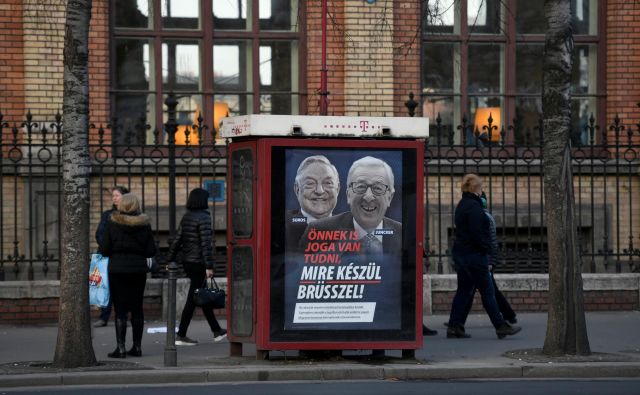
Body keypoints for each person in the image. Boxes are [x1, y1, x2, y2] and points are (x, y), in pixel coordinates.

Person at [446, 174, 521, 339]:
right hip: (475, 256)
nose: (482, 190)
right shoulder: (475, 207)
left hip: (462, 255)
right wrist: (486, 250)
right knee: (488, 292)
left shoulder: (462, 205)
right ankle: (500, 325)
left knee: (463, 291)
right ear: (476, 189)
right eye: (480, 187)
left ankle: (454, 326)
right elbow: (478, 234)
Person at [302, 156, 401, 259]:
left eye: (378, 188)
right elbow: (298, 272)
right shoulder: (317, 231)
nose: (368, 197)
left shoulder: (402, 234)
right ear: (348, 194)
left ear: (390, 197)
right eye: (360, 187)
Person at [99, 193, 156, 358]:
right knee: (137, 309)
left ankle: (121, 348)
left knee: (121, 310)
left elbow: (104, 249)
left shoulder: (113, 223)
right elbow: (151, 250)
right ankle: (137, 348)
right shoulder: (144, 225)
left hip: (118, 270)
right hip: (138, 271)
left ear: (122, 205)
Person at [168, 188, 226, 345]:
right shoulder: (204, 218)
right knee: (193, 298)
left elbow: (177, 240)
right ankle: (181, 334)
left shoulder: (187, 217)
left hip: (188, 262)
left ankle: (217, 330)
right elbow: (206, 244)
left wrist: (170, 259)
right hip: (199, 263)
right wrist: (209, 266)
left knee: (201, 294)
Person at [93, 185, 129, 328]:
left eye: (117, 195)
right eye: (113, 195)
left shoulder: (130, 215)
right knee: (104, 287)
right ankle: (104, 316)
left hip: (122, 256)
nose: (114, 198)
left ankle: (124, 316)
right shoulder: (107, 214)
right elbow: (99, 234)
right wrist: (109, 248)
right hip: (107, 255)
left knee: (123, 287)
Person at [286, 155, 340, 249]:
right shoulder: (282, 224)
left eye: (328, 183)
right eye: (310, 183)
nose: (319, 191)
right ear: (297, 189)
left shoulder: (353, 228)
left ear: (338, 189)